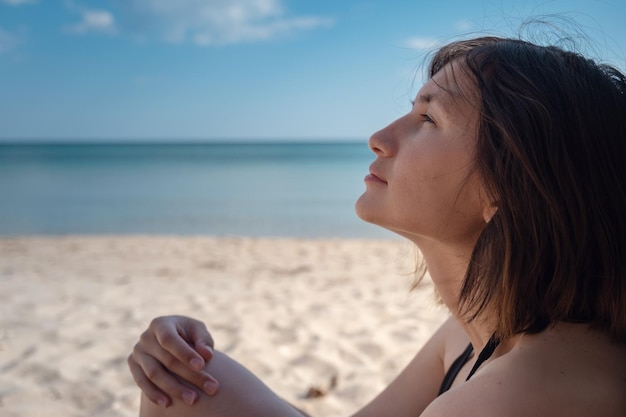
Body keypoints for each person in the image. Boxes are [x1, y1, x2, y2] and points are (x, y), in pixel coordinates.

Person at [127, 34, 626, 416]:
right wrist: (181, 359)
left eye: (428, 120)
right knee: (187, 383)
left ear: (507, 188)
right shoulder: (471, 332)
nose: (379, 138)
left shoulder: (515, 394)